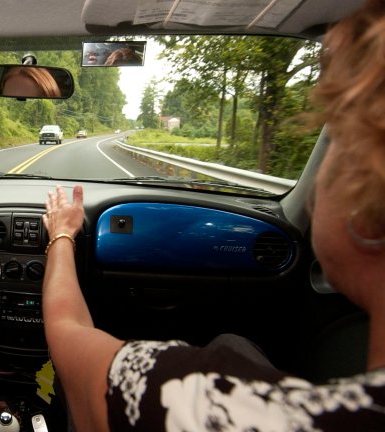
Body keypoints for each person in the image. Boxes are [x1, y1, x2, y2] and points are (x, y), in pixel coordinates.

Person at [40, 1, 385, 430]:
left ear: (364, 202)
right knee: (236, 342)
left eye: (336, 149)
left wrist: (62, 233)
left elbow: (67, 333)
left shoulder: (209, 402)